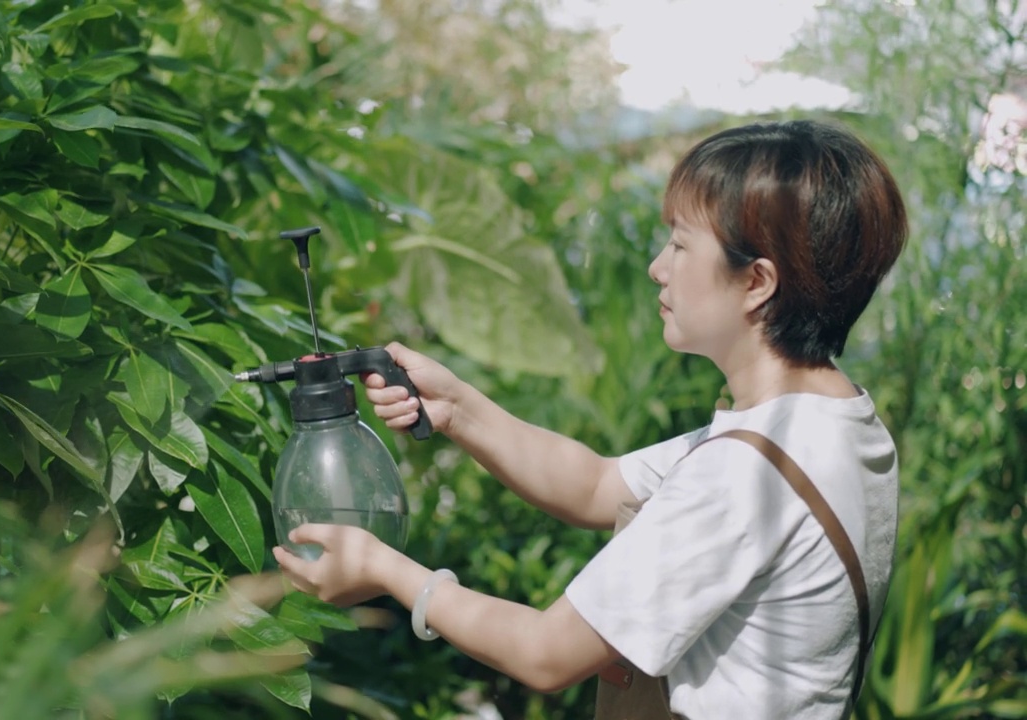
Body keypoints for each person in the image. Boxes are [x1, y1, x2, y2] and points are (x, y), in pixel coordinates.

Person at [272, 119, 908, 719]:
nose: (659, 267)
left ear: (756, 283)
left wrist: (387, 571)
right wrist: (458, 408)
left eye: (682, 245)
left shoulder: (745, 474)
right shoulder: (831, 421)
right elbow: (598, 486)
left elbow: (546, 653)